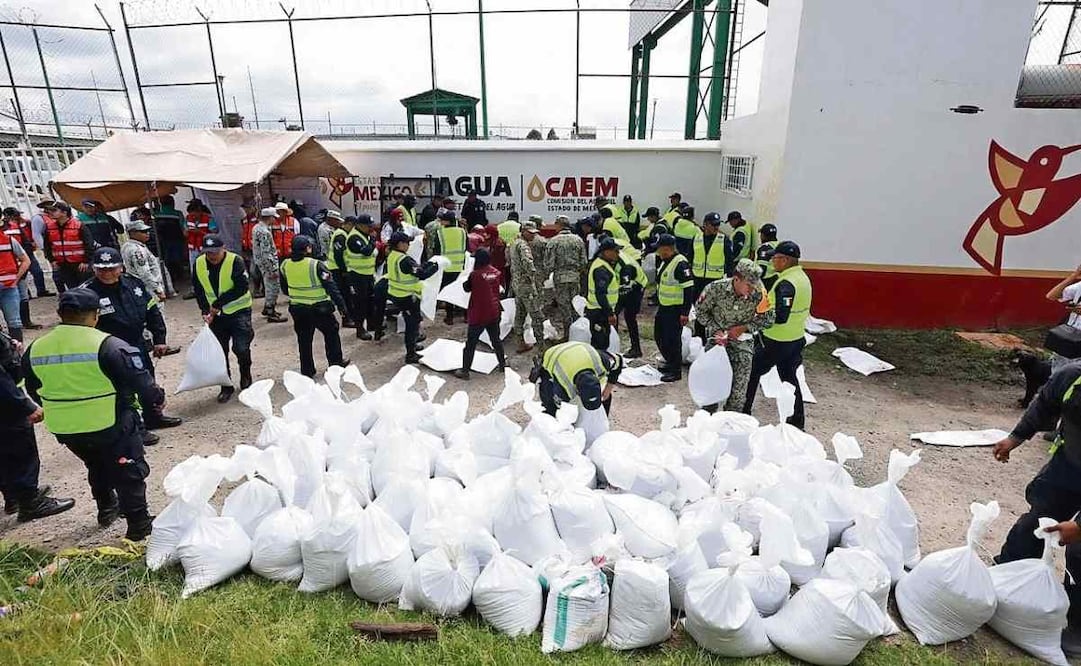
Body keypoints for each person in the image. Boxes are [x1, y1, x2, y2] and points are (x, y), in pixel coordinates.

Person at [23, 287, 164, 540]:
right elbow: (143, 385)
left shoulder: (36, 348)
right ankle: (139, 525)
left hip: (65, 428)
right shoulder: (108, 345)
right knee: (128, 471)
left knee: (95, 463)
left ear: (59, 313)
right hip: (110, 423)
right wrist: (156, 400)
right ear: (95, 315)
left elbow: (32, 390)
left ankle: (106, 508)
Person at [990, 361, 1081, 656]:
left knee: (1080, 552)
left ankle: (1077, 626)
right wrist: (1015, 438)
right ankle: (1002, 581)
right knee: (1036, 523)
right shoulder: (1072, 376)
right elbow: (1044, 403)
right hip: (1068, 466)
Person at [82, 246, 182, 433]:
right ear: (94, 269)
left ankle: (153, 417)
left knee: (146, 382)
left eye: (112, 268)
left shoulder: (134, 284)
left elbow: (152, 310)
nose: (107, 273)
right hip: (110, 350)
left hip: (137, 344)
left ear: (121, 267)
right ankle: (135, 429)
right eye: (102, 269)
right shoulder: (87, 293)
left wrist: (159, 339)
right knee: (123, 390)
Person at [0, 329, 75, 522]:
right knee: (20, 449)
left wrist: (8, 347)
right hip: (7, 404)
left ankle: (14, 496)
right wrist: (24, 404)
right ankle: (29, 501)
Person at [743, 241, 812, 429]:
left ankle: (743, 412)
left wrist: (756, 319)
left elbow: (780, 316)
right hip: (795, 338)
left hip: (776, 340)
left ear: (785, 260)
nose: (772, 261)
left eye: (775, 258)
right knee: (790, 379)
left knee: (751, 371)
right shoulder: (802, 278)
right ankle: (797, 421)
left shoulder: (786, 284)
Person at [696, 259, 775, 411]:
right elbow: (700, 311)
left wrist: (745, 327)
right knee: (711, 386)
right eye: (748, 285)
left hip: (742, 345)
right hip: (717, 343)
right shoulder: (715, 289)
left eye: (754, 286)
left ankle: (730, 422)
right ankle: (707, 421)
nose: (752, 290)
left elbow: (769, 318)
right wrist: (715, 329)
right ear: (736, 279)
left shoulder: (760, 292)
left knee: (738, 391)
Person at [192, 235, 255, 403]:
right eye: (208, 252)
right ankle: (226, 385)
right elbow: (198, 289)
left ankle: (246, 376)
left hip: (238, 312)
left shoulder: (236, 261)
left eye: (215, 252)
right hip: (216, 317)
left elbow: (242, 287)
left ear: (223, 248)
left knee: (241, 348)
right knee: (220, 352)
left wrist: (218, 304)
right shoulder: (199, 263)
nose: (211, 256)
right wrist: (205, 310)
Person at [280, 236, 349, 378]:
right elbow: (331, 287)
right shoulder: (316, 265)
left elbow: (285, 288)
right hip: (320, 308)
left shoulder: (285, 265)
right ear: (308, 248)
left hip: (298, 309)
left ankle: (307, 370)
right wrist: (342, 307)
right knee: (331, 334)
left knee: (304, 340)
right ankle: (335, 364)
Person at [386, 231, 439, 363]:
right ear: (400, 244)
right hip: (407, 297)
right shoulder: (404, 260)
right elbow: (422, 275)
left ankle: (413, 346)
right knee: (412, 325)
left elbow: (417, 269)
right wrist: (436, 267)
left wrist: (426, 264)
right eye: (407, 243)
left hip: (396, 294)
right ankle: (410, 354)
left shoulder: (393, 255)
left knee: (413, 321)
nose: (409, 245)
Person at [454, 248, 506, 380]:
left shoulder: (475, 275)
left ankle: (465, 371)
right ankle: (502, 364)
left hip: (479, 313)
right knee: (496, 339)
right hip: (494, 311)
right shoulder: (496, 272)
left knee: (471, 344)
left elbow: (467, 288)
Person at [534, 341, 623, 417]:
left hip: (580, 350)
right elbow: (562, 407)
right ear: (577, 390)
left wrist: (608, 388)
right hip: (553, 355)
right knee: (550, 402)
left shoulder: (602, 362)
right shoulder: (564, 386)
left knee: (606, 394)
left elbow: (619, 360)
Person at [652, 235, 695, 382]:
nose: (658, 251)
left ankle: (676, 371)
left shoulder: (680, 263)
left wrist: (685, 312)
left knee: (673, 340)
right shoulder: (666, 261)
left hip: (675, 309)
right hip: (665, 307)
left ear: (667, 248)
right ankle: (670, 362)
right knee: (660, 335)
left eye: (659, 248)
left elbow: (688, 289)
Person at [691, 212, 734, 340]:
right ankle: (699, 336)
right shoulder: (696, 238)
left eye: (717, 224)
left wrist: (730, 281)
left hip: (715, 281)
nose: (716, 227)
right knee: (700, 308)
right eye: (713, 225)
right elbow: (690, 257)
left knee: (715, 310)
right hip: (698, 280)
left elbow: (729, 262)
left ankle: (715, 337)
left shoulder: (723, 240)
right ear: (705, 225)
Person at [548, 215, 587, 340]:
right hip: (575, 278)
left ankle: (567, 335)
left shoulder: (554, 241)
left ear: (559, 225)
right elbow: (584, 262)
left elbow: (548, 264)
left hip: (560, 279)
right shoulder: (578, 240)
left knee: (564, 308)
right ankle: (578, 334)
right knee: (575, 306)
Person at [509, 221, 546, 354]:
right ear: (523, 231)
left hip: (517, 284)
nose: (533, 236)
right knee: (537, 315)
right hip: (526, 285)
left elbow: (509, 260)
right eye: (531, 233)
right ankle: (542, 346)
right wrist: (533, 275)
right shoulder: (523, 246)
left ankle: (520, 342)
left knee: (520, 313)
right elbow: (528, 263)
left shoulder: (513, 243)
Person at [1, 209, 41, 332]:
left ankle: (26, 321)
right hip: (11, 271)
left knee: (23, 297)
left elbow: (25, 244)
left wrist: (19, 273)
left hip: (16, 270)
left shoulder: (14, 228)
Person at [43, 202, 96, 291]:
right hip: (63, 265)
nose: (51, 213)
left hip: (80, 264)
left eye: (54, 210)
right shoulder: (49, 228)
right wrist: (52, 260)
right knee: (72, 288)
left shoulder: (79, 226)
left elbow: (89, 244)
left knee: (86, 288)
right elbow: (47, 246)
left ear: (64, 213)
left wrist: (86, 261)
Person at [344, 214, 380, 339]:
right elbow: (366, 251)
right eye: (368, 226)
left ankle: (371, 324)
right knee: (360, 303)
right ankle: (360, 329)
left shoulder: (365, 235)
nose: (370, 228)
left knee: (371, 300)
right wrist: (373, 241)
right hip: (357, 275)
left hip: (368, 274)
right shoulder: (354, 237)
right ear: (359, 225)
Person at [251, 207, 288, 323]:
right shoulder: (264, 232)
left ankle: (268, 308)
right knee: (273, 287)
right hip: (268, 264)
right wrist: (272, 269)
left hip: (260, 262)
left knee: (268, 286)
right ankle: (271, 310)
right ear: (269, 217)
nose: (275, 220)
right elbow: (266, 252)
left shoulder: (256, 227)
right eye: (274, 217)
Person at [585, 237, 622, 352]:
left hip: (599, 310)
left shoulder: (602, 264)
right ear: (606, 251)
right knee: (600, 343)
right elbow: (600, 294)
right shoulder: (601, 269)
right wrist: (610, 313)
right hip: (600, 312)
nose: (618, 253)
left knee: (601, 341)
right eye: (615, 251)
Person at [3, 207, 49, 299]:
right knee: (21, 276)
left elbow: (25, 239)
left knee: (37, 272)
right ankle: (26, 295)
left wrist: (30, 248)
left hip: (25, 253)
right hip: (12, 255)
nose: (17, 217)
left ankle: (41, 291)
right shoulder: (4, 227)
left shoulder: (24, 223)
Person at [433, 210, 467, 324]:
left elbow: (436, 251)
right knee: (462, 291)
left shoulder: (440, 233)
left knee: (448, 292)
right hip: (461, 266)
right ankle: (466, 316)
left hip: (446, 267)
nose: (441, 222)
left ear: (447, 221)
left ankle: (450, 317)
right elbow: (467, 247)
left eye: (443, 220)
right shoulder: (462, 232)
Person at [1046, 264, 1081, 372]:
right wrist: (1074, 275)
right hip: (1068, 336)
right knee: (1057, 374)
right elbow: (1052, 295)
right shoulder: (1079, 286)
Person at [121, 220, 166, 300]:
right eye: (143, 231)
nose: (147, 233)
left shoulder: (127, 246)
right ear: (133, 233)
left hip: (139, 286)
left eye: (147, 231)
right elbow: (144, 273)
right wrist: (157, 290)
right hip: (148, 288)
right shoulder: (137, 250)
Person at [617, 242, 647, 359]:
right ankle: (613, 344)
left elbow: (625, 287)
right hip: (628, 285)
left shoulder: (625, 265)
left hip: (636, 287)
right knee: (613, 313)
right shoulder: (610, 257)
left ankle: (636, 349)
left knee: (629, 316)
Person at [0, 228, 30, 342]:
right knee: (14, 322)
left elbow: (26, 260)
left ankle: (17, 355)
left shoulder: (9, 240)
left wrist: (16, 278)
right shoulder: (9, 240)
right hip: (10, 288)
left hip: (9, 288)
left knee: (14, 323)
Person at [29, 200, 62, 296]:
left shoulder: (56, 216)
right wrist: (44, 249)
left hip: (60, 246)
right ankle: (61, 291)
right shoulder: (38, 218)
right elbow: (36, 235)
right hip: (50, 247)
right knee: (56, 268)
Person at [184, 198, 216, 279]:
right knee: (194, 268)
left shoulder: (208, 219)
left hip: (205, 248)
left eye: (195, 215)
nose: (193, 217)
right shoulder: (187, 218)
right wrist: (187, 232)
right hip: (193, 249)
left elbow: (214, 234)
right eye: (191, 215)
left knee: (207, 268)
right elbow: (184, 232)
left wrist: (199, 232)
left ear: (200, 212)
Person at [239, 199, 263, 297]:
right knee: (252, 270)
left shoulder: (259, 219)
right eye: (245, 208)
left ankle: (261, 289)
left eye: (248, 208)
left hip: (258, 248)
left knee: (255, 270)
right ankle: (257, 289)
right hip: (248, 248)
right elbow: (244, 233)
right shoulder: (244, 220)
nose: (246, 210)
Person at [756, 223, 779, 289]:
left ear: (763, 235)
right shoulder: (779, 245)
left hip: (766, 281)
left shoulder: (764, 247)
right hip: (777, 278)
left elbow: (761, 268)